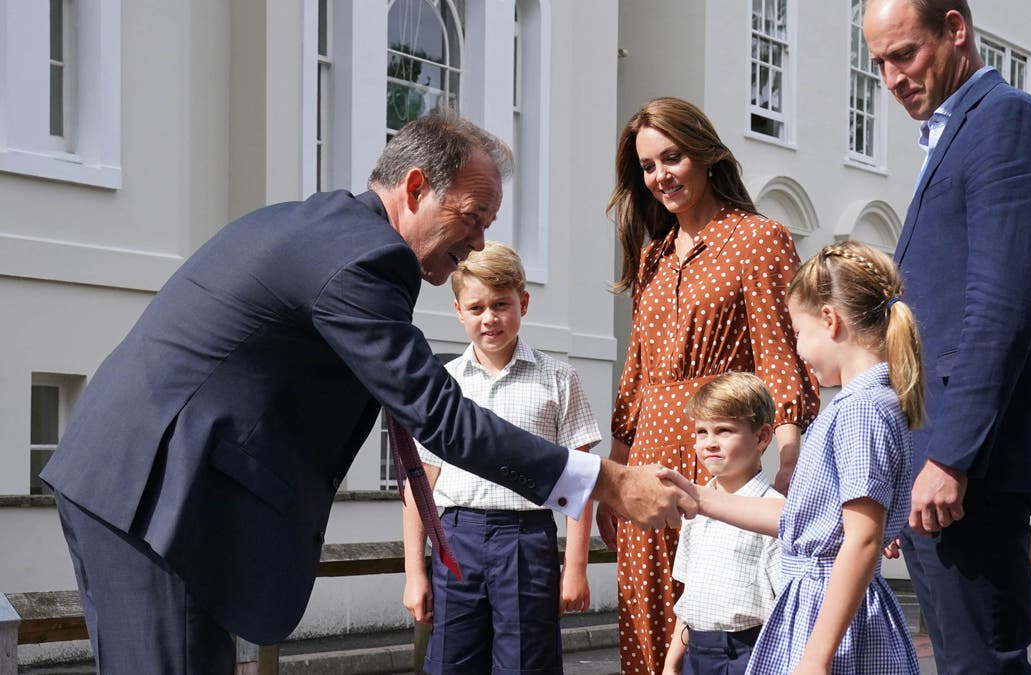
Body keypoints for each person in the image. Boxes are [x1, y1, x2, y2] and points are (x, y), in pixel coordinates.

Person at [38, 110, 693, 674]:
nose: (479, 242)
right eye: (472, 216)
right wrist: (608, 481)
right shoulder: (363, 260)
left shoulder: (330, 229)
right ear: (415, 188)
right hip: (154, 495)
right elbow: (440, 415)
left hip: (135, 482)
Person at [862, 1, 1031, 672]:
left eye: (904, 53)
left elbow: (1000, 306)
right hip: (938, 464)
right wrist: (906, 467)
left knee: (980, 664)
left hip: (972, 470)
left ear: (955, 29)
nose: (892, 77)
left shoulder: (1007, 121)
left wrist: (950, 457)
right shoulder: (955, 132)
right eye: (879, 62)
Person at [601, 96, 821, 674]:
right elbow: (637, 375)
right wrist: (616, 473)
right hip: (648, 459)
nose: (660, 177)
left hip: (717, 459)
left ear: (704, 155)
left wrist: (791, 457)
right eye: (647, 166)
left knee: (730, 615)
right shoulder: (651, 258)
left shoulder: (756, 238)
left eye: (671, 158)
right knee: (647, 619)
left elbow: (781, 353)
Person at [662, 241, 923, 674]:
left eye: (798, 334)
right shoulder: (860, 405)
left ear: (830, 320)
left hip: (830, 619)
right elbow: (801, 522)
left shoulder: (859, 411)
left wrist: (816, 658)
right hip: (822, 608)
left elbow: (860, 540)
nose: (798, 350)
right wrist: (700, 498)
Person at [400, 241, 601, 674]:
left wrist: (576, 568)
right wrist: (414, 572)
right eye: (476, 308)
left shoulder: (558, 379)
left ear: (523, 303)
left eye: (500, 304)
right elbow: (419, 484)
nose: (489, 318)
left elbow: (581, 482)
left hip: (525, 541)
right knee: (451, 662)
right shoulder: (442, 384)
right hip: (456, 539)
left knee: (525, 663)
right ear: (458, 311)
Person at [662, 372, 782, 675]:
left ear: (762, 436)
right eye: (702, 432)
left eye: (724, 431)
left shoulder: (774, 514)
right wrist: (672, 661)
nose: (709, 443)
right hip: (696, 651)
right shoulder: (695, 507)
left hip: (748, 653)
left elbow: (787, 604)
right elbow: (689, 594)